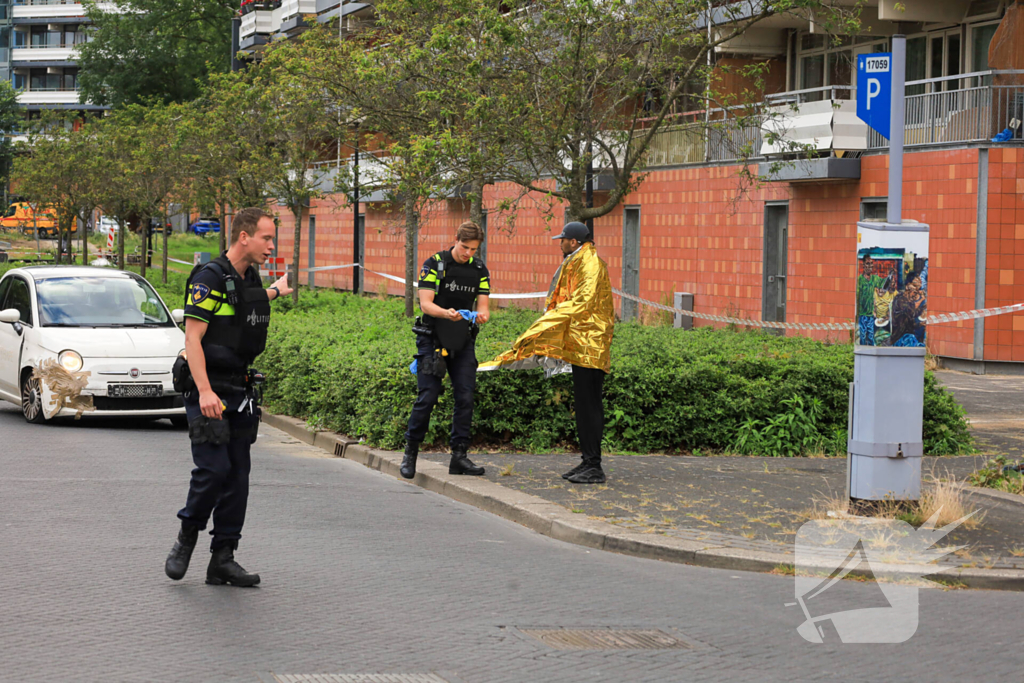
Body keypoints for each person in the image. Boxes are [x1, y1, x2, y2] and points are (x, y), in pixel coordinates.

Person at [164, 207, 292, 587]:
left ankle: (223, 557)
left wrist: (276, 291)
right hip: (208, 386)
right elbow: (193, 339)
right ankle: (187, 536)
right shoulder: (208, 277)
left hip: (240, 387)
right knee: (213, 469)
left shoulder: (248, 276)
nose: (272, 245)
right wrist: (204, 391)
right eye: (267, 238)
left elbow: (245, 305)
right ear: (243, 237)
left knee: (238, 475)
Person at [480, 221, 614, 484]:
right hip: (581, 344)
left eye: (562, 239)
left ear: (573, 242)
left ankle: (594, 465)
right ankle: (588, 461)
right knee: (584, 405)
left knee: (589, 406)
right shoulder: (578, 260)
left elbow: (582, 301)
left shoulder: (590, 263)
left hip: (590, 346)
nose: (560, 243)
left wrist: (546, 322)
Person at [401, 221, 491, 480]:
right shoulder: (434, 264)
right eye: (465, 247)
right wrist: (446, 314)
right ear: (456, 240)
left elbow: (484, 306)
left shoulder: (479, 269)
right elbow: (426, 304)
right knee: (427, 395)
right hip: (432, 338)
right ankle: (411, 453)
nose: (468, 254)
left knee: (465, 396)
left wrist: (481, 316)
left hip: (463, 340)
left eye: (474, 249)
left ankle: (459, 457)